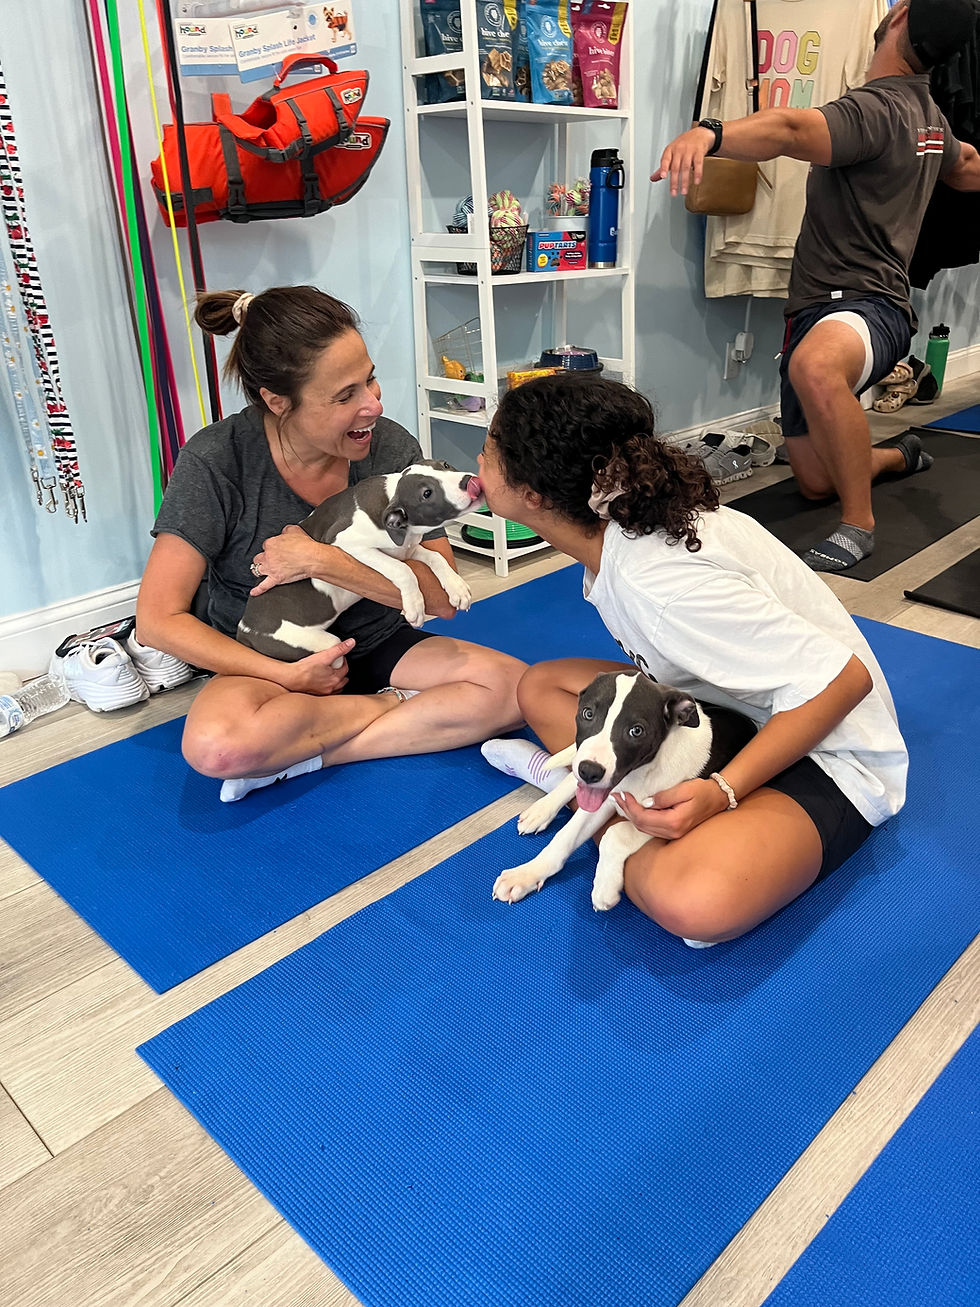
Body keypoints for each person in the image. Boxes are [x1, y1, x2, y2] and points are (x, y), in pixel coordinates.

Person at [478, 374, 909, 947]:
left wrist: (723, 792)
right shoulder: (620, 539)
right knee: (544, 686)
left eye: (487, 452)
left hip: (826, 746)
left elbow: (844, 680)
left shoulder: (660, 585)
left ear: (532, 494)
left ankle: (615, 811)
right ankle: (604, 797)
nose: (477, 464)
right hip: (719, 715)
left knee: (695, 902)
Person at [136, 285, 525, 802]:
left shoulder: (389, 447)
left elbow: (438, 600)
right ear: (278, 401)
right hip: (276, 653)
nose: (373, 404)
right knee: (217, 748)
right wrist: (287, 676)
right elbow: (158, 620)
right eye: (345, 396)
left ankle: (309, 755)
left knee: (514, 690)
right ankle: (394, 707)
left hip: (382, 639)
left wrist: (323, 559)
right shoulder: (217, 460)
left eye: (369, 381)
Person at [653, 0, 980, 572]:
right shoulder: (928, 113)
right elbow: (966, 165)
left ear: (899, 14)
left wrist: (711, 131)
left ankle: (858, 526)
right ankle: (896, 457)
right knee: (812, 479)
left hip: (868, 305)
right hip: (814, 307)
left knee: (814, 367)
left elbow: (789, 127)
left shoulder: (876, 107)